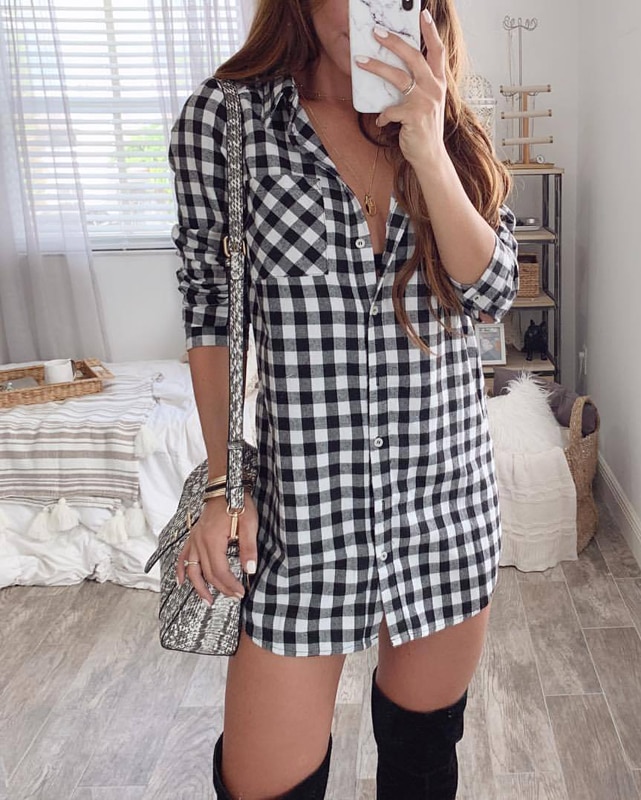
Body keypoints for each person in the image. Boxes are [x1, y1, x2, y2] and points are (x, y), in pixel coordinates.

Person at [169, 0, 518, 797]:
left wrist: (428, 148)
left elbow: (493, 293)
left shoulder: (446, 119)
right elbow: (211, 314)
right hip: (305, 521)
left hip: (446, 509)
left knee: (422, 764)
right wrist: (223, 487)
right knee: (261, 783)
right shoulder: (227, 122)